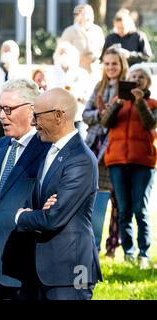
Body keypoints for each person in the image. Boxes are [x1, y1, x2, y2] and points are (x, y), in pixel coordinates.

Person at [15, 88, 102, 300]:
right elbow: (37, 203)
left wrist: (20, 216)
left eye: (37, 116)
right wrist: (38, 211)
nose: (34, 123)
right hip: (46, 269)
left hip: (70, 271)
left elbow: (52, 217)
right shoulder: (51, 151)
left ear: (58, 115)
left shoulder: (80, 159)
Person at [0, 78, 50, 300]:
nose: (2, 115)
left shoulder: (47, 149)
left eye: (8, 109)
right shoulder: (1, 146)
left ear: (32, 111)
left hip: (29, 268)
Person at [100, 63, 157, 269]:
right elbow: (105, 122)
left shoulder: (152, 103)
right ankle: (129, 253)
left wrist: (140, 101)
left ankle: (143, 253)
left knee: (140, 209)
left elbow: (150, 124)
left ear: (147, 82)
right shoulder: (117, 101)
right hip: (117, 161)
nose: (136, 79)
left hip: (143, 162)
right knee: (123, 210)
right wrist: (118, 104)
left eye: (141, 77)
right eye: (133, 75)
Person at [83, 46, 128, 258]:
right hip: (95, 148)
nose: (111, 67)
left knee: (118, 201)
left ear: (122, 65)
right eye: (107, 63)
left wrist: (106, 113)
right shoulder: (98, 86)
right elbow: (85, 114)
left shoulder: (126, 89)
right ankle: (94, 244)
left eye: (115, 64)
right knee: (97, 199)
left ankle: (113, 246)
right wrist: (100, 113)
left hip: (116, 148)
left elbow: (121, 120)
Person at [47, 41, 93, 140]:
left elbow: (89, 96)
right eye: (61, 53)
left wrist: (79, 97)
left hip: (78, 118)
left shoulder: (82, 74)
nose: (63, 55)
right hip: (58, 120)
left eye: (66, 52)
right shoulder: (51, 73)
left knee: (80, 147)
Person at [0, 40, 21, 145]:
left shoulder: (21, 71)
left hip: (14, 115)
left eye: (10, 50)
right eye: (4, 50)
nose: (7, 53)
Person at [59, 4, 105, 74]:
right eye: (82, 14)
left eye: (88, 14)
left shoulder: (98, 30)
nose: (86, 17)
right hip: (76, 72)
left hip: (95, 72)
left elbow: (103, 50)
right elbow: (61, 53)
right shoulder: (69, 31)